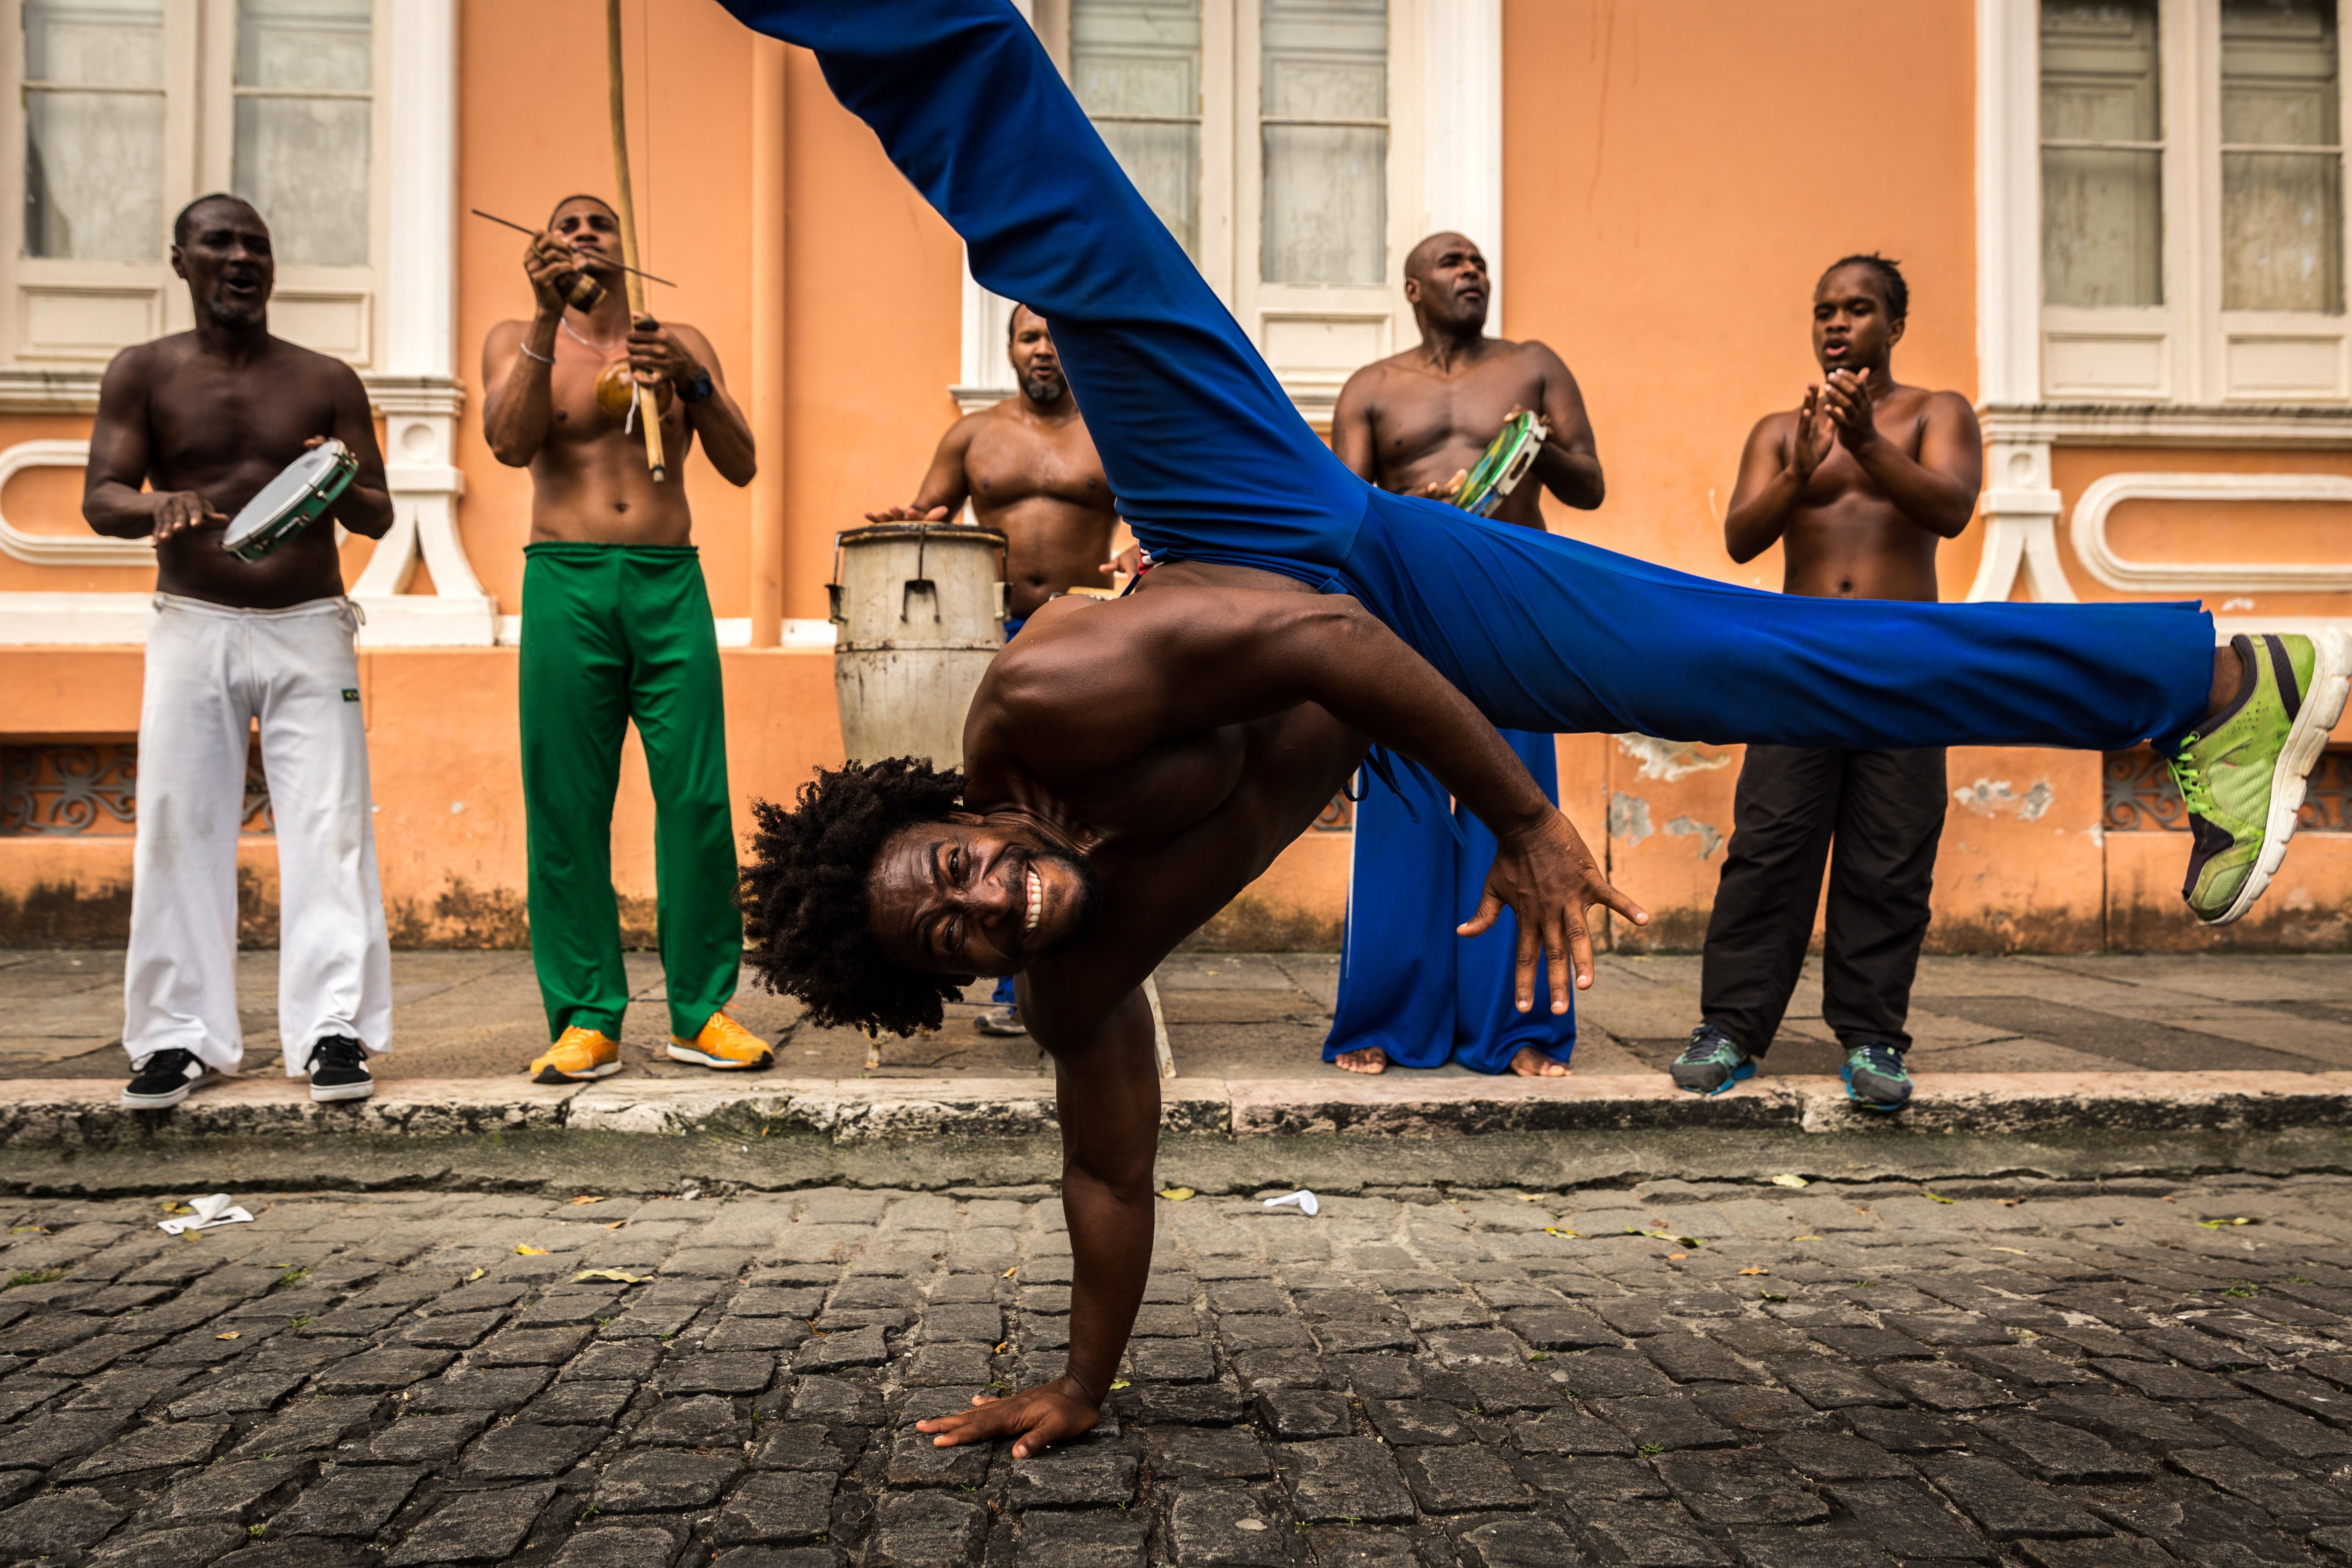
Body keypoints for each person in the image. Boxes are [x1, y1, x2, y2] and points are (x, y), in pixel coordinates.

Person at [717, 0, 2343, 1461]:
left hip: (1268, 520)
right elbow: (1104, 1179)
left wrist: (1525, 817)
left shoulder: (1049, 704)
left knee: (1050, 217)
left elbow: (1317, 636)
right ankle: (2211, 685)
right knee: (1782, 669)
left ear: (951, 806)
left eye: (949, 868)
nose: (981, 904)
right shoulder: (1074, 964)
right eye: (949, 940)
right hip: (1393, 616)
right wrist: (1080, 1383)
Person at [84, 193, 397, 1109]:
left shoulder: (326, 377)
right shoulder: (144, 371)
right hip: (194, 622)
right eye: (218, 242)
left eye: (255, 244)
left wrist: (337, 470)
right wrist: (156, 505)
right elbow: (103, 495)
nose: (239, 257)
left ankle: (333, 1031)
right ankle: (178, 1039)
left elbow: (377, 511)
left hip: (310, 623)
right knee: (181, 828)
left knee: (332, 831)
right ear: (179, 259)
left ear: (272, 265)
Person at [1670, 255, 1980, 1113]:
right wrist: (1801, 468)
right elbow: (1740, 538)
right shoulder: (1780, 429)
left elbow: (1950, 509)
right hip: (1797, 660)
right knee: (1768, 850)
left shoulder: (1937, 414)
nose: (1837, 325)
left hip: (1904, 659)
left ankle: (1874, 1038)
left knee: (1889, 859)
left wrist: (1869, 444)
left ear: (1894, 325)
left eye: (1858, 310)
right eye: (1824, 312)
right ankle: (1731, 1030)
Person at [481, 195, 771, 1085]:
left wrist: (689, 378)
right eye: (565, 226)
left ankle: (701, 1009)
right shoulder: (514, 337)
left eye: (598, 224)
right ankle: (587, 1017)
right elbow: (505, 439)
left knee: (696, 797)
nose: (582, 236)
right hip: (565, 578)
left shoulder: (675, 338)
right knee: (566, 801)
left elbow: (741, 461)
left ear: (627, 247)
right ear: (540, 251)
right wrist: (542, 317)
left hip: (667, 578)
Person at [1325, 231, 1602, 1078]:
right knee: (1402, 814)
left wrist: (1538, 445)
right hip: (1407, 614)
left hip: (1512, 612)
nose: (1471, 273)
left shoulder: (1533, 367)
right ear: (1414, 288)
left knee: (1516, 809)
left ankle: (1516, 1032)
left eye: (1478, 262)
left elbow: (1589, 483)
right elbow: (1343, 516)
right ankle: (1388, 1021)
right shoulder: (1372, 388)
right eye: (1452, 263)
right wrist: (1413, 514)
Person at [866, 301, 1136, 1038]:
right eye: (1029, 336)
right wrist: (911, 519)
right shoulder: (973, 435)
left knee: (1070, 807)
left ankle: (1068, 968)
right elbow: (929, 515)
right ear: (1009, 348)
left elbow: (1156, 521)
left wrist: (1140, 553)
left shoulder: (1110, 428)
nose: (1043, 348)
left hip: (1082, 641)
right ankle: (1012, 980)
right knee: (993, 814)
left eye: (1054, 333)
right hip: (985, 640)